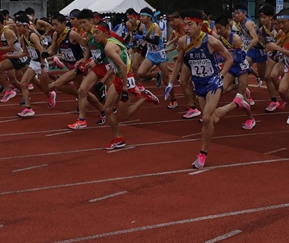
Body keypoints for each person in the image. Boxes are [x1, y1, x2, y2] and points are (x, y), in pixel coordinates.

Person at [171, 10, 252, 169]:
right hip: (198, 84)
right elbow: (179, 63)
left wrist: (221, 76)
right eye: (184, 24)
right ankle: (236, 103)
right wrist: (170, 82)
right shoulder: (183, 42)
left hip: (213, 82)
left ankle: (202, 154)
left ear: (200, 25)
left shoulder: (212, 41)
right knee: (211, 119)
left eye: (190, 24)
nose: (186, 27)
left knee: (207, 118)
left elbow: (229, 59)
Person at [92, 22, 159, 150]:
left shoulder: (108, 48)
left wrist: (124, 87)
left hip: (125, 79)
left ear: (106, 33)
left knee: (123, 116)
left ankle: (145, 97)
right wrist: (102, 81)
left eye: (97, 32)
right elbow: (117, 65)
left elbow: (122, 66)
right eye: (94, 33)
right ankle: (119, 138)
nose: (95, 35)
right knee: (107, 109)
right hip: (120, 77)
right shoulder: (111, 42)